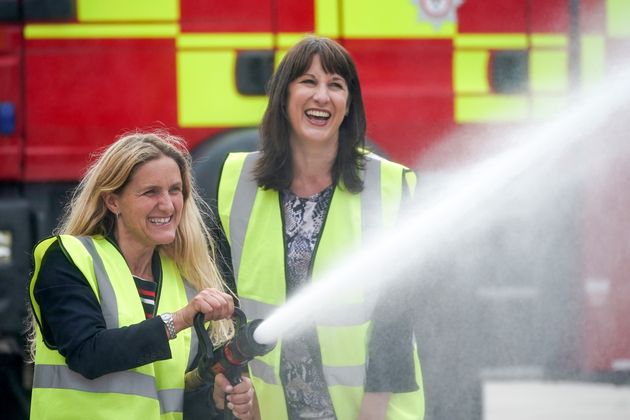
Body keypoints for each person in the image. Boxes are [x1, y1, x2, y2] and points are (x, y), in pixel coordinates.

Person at [214, 36, 424, 419]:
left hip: (363, 408)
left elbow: (397, 314)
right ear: (283, 96)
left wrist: (373, 409)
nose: (322, 96)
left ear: (348, 106)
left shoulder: (389, 185)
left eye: (336, 85)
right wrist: (233, 375)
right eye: (308, 82)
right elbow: (224, 299)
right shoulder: (237, 181)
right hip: (274, 408)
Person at [27, 131, 255, 420]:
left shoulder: (185, 280)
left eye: (175, 190)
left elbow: (176, 396)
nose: (168, 204)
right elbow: (88, 354)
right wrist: (181, 320)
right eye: (151, 192)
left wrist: (217, 396)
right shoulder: (68, 257)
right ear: (113, 202)